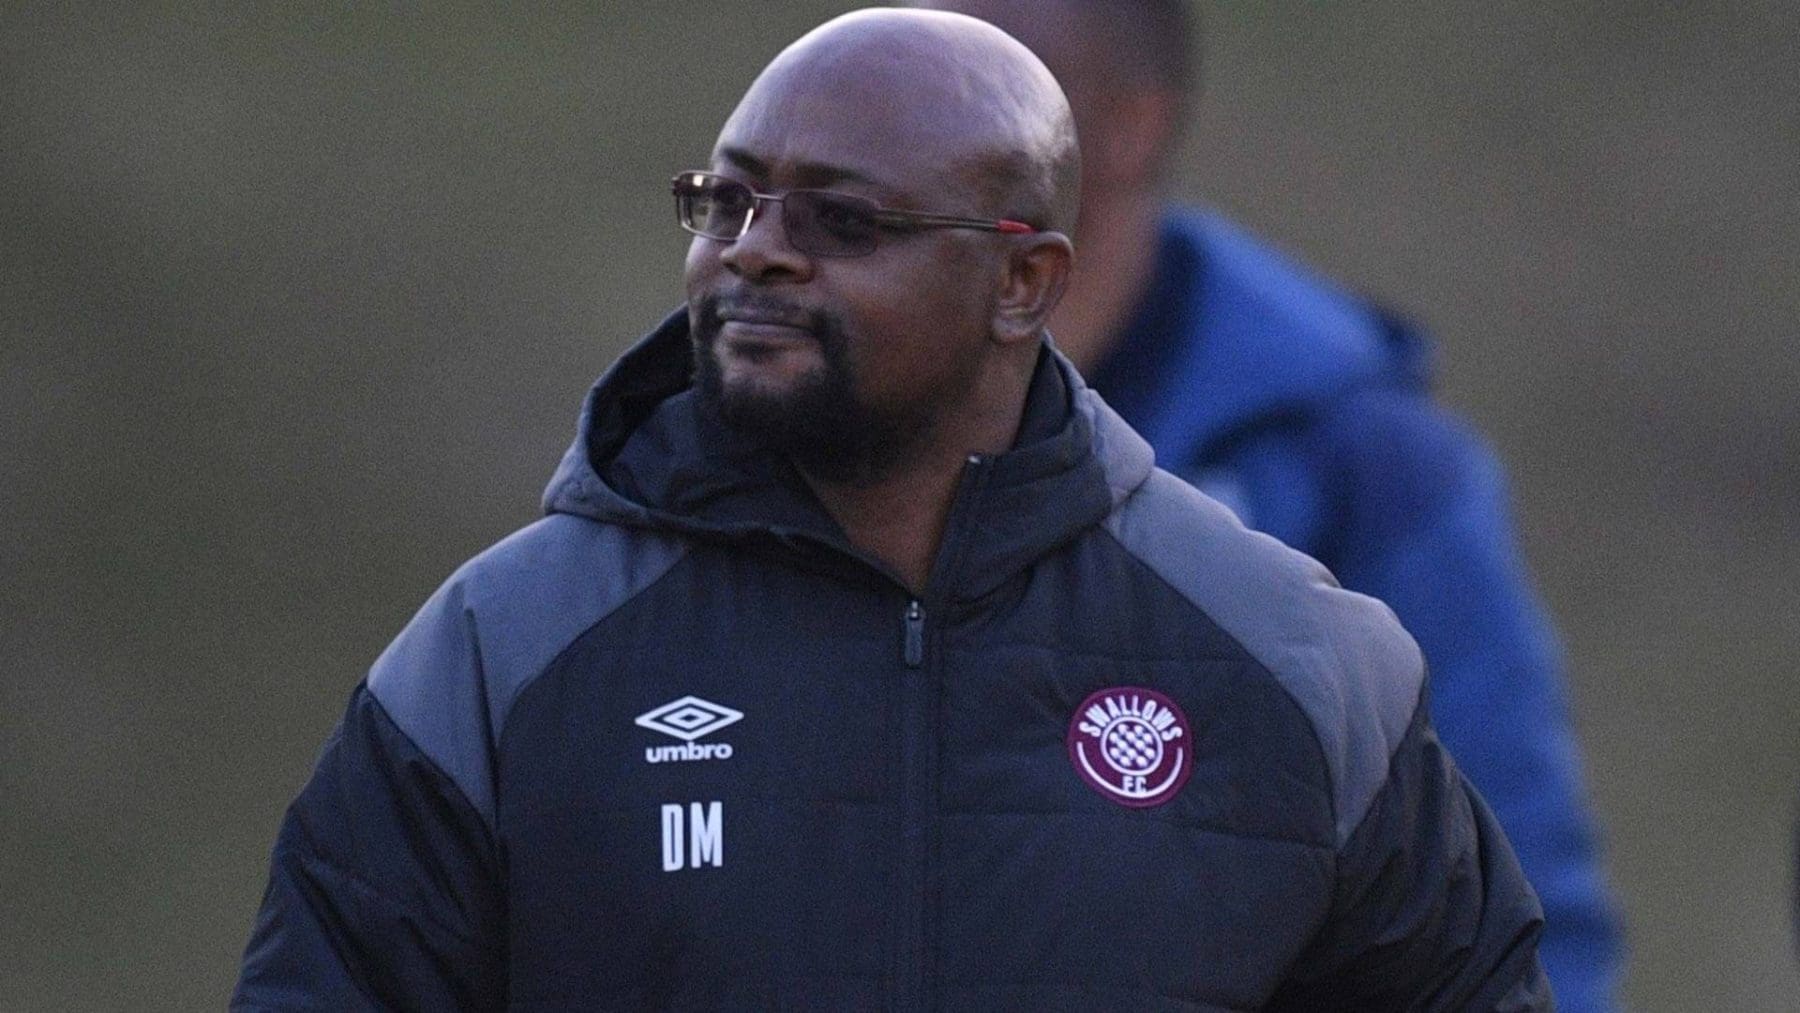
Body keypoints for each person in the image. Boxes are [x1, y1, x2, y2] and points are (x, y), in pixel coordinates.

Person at [234, 9, 1550, 1009]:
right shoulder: (497, 656)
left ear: (1023, 283)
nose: (755, 249)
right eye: (727, 200)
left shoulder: (1299, 663)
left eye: (843, 221)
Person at [914, 1, 1625, 1008]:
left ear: (1132, 124)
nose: (916, 117)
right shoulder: (810, 426)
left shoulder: (1362, 471)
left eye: (989, 77)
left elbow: (1518, 906)